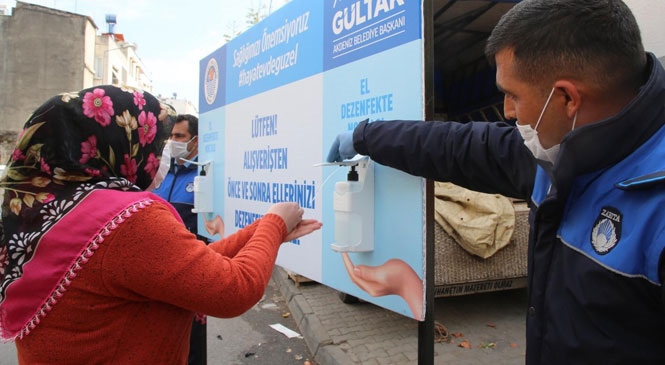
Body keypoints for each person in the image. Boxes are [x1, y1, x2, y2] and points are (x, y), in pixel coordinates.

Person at [327, 0, 665, 363]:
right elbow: (457, 146)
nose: (507, 111)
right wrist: (366, 136)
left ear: (567, 97)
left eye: (513, 94)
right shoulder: (555, 153)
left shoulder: (653, 206)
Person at [0, 85, 322, 364]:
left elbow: (185, 266)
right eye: (156, 142)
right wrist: (276, 224)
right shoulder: (126, 221)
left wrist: (265, 228)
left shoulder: (48, 213)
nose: (161, 153)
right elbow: (232, 290)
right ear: (119, 143)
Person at [151, 113, 211, 365]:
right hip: (157, 277)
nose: (172, 141)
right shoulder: (161, 174)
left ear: (195, 141)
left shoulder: (204, 176)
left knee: (192, 345)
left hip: (190, 276)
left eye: (179, 136)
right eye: (170, 136)